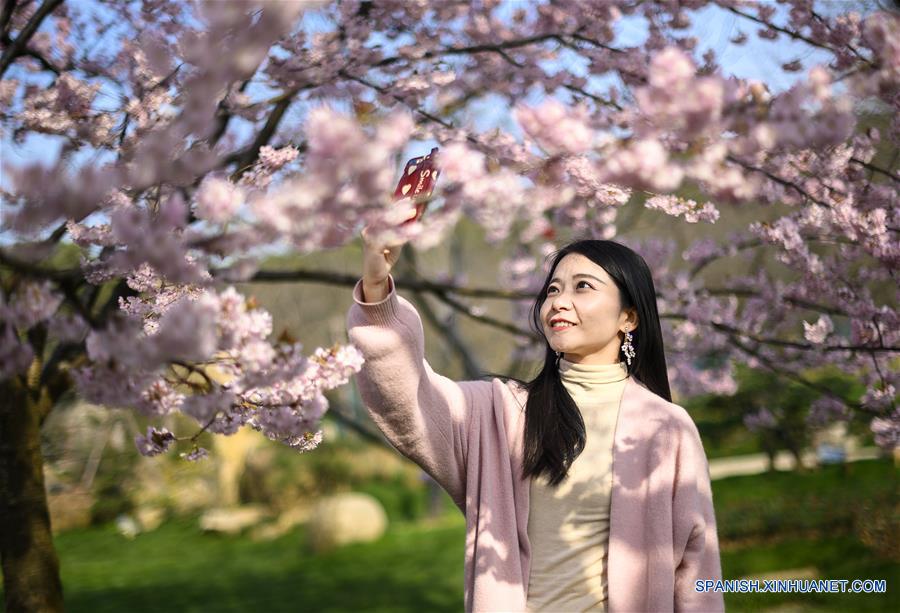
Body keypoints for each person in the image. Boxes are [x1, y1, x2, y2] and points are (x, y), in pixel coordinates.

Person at [346, 229, 725, 613]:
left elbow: (697, 567)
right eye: (553, 290)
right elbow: (406, 399)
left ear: (628, 317)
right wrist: (377, 291)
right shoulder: (504, 412)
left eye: (582, 287)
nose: (559, 302)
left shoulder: (666, 427)